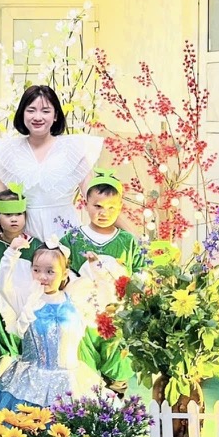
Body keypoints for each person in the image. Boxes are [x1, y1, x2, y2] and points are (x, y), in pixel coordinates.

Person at [0, 84, 104, 242]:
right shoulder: (7, 150)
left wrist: (123, 234)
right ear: (22, 114)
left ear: (55, 115)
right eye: (31, 110)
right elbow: (1, 202)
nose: (38, 117)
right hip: (23, 236)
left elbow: (95, 197)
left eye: (45, 111)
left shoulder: (74, 148)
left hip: (65, 232)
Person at [59, 169, 141, 394]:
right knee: (83, 359)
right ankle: (87, 398)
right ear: (85, 204)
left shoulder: (127, 241)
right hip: (82, 315)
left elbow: (140, 272)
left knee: (117, 353)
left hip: (117, 315)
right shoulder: (73, 239)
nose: (104, 212)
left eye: (111, 207)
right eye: (98, 206)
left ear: (120, 207)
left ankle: (116, 392)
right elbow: (63, 271)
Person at [0, 241, 99, 410]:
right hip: (29, 383)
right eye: (36, 270)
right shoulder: (27, 302)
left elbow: (104, 296)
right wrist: (11, 253)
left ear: (64, 274)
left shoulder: (75, 301)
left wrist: (96, 267)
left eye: (50, 271)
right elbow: (2, 287)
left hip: (70, 382)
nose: (42, 277)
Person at [0, 184, 41, 360]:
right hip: (2, 309)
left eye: (18, 214)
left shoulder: (36, 246)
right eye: (8, 215)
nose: (14, 219)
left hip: (28, 307)